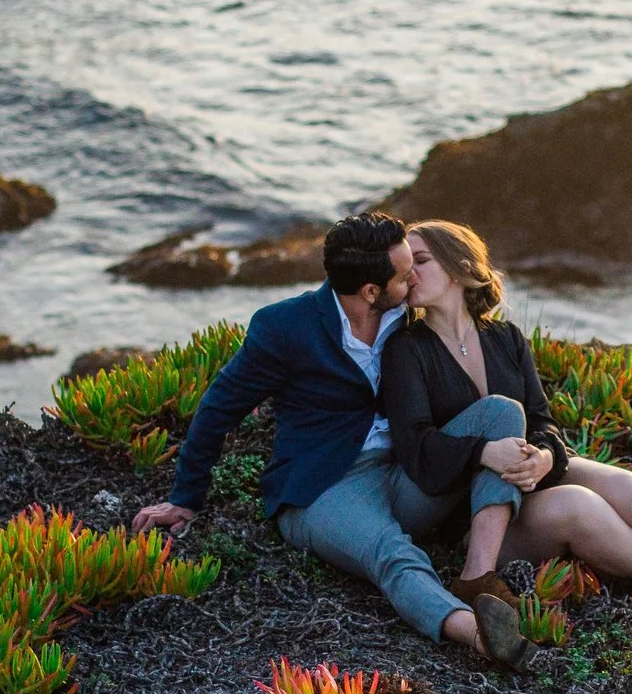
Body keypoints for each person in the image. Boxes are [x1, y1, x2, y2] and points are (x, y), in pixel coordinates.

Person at [131, 213, 532, 668]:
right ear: (370, 291)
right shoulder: (284, 327)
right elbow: (218, 410)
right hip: (324, 490)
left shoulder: (402, 316)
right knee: (392, 553)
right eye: (404, 274)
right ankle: (481, 636)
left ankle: (478, 576)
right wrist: (185, 498)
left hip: (404, 473)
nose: (414, 278)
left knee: (501, 412)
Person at [378, 219, 632, 609]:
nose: (408, 273)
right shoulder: (406, 348)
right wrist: (486, 453)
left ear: (461, 269)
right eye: (405, 264)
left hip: (522, 479)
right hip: (465, 517)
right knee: (578, 505)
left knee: (626, 486)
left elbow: (541, 420)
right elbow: (416, 446)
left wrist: (546, 456)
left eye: (421, 260)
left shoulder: (505, 338)